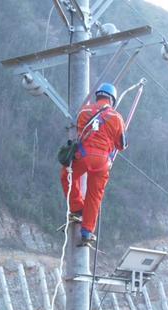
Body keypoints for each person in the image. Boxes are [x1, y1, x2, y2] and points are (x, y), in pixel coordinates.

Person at [59, 82, 127, 246]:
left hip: (83, 156)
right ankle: (87, 231)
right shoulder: (117, 117)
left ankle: (77, 208)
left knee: (67, 176)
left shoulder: (84, 111)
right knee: (95, 195)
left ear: (98, 96)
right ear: (112, 99)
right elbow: (121, 145)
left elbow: (80, 131)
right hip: (103, 161)